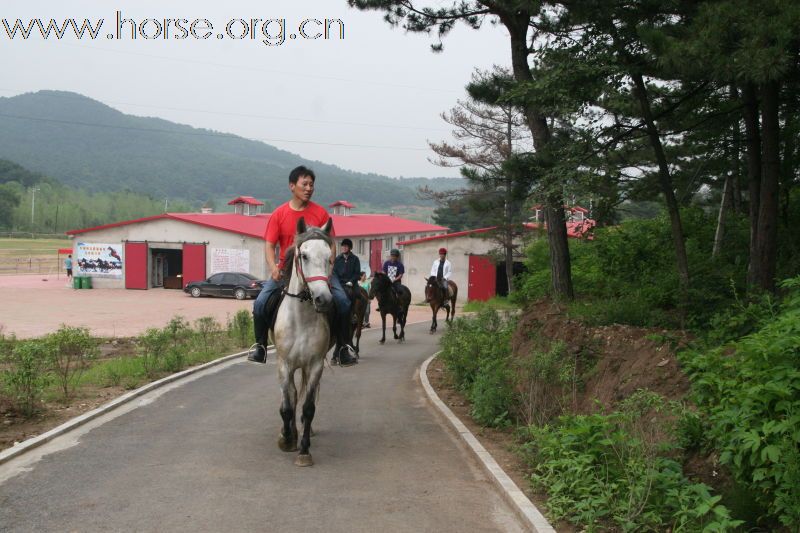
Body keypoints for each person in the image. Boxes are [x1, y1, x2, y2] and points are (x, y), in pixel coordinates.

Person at [250, 165, 358, 367]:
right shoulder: (279, 214)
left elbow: (331, 244)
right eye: (304, 184)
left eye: (312, 185)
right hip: (287, 271)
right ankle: (260, 346)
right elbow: (269, 245)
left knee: (343, 301)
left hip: (319, 270)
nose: (309, 188)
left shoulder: (320, 213)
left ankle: (344, 346)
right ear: (292, 186)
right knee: (260, 304)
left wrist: (329, 266)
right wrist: (274, 267)